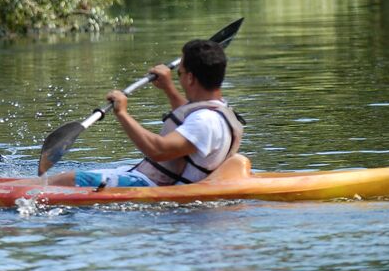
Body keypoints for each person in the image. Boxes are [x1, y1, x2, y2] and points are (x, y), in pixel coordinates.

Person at [51, 39, 244, 187]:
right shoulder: (216, 111)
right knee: (59, 178)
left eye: (180, 74)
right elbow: (189, 117)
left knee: (66, 180)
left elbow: (159, 150)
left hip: (152, 185)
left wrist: (122, 113)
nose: (179, 78)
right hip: (148, 177)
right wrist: (168, 88)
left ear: (191, 78)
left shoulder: (206, 121)